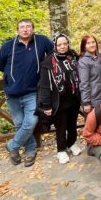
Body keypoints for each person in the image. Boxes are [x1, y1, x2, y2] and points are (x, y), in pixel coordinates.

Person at [0, 19, 53, 166]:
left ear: (33, 29)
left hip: (32, 92)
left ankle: (12, 146)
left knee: (31, 122)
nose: (25, 29)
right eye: (22, 27)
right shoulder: (8, 46)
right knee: (19, 124)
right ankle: (31, 150)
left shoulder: (42, 41)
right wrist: (11, 76)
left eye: (28, 27)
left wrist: (44, 72)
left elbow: (54, 54)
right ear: (17, 30)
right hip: (12, 93)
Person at [37, 33, 82, 164]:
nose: (62, 47)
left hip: (73, 99)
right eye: (59, 44)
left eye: (65, 44)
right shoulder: (48, 62)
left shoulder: (72, 56)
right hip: (58, 101)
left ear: (68, 44)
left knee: (72, 125)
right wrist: (46, 105)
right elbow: (44, 86)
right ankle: (61, 150)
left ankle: (72, 143)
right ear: (55, 46)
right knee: (61, 127)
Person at [78, 34, 101, 114]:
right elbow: (84, 84)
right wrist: (86, 102)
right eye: (88, 43)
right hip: (93, 100)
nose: (91, 45)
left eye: (93, 42)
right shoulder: (83, 62)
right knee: (93, 124)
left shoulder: (99, 57)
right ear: (84, 46)